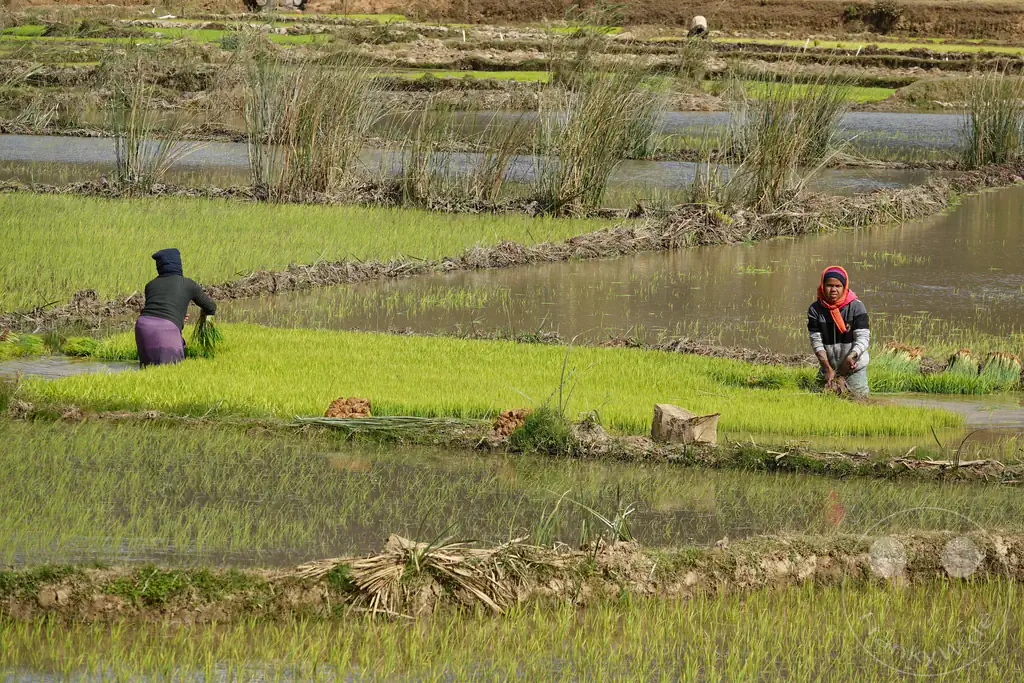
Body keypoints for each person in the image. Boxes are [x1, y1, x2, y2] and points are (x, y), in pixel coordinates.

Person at [135, 248, 216, 368]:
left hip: (142, 326)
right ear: (178, 264)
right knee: (172, 370)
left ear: (159, 266)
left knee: (148, 370)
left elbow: (156, 308)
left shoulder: (150, 285)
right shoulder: (188, 284)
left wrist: (178, 315)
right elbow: (210, 307)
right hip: (166, 328)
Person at [807, 265, 870, 395]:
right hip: (829, 367)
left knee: (859, 401)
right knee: (819, 399)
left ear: (844, 287)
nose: (833, 289)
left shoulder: (856, 307)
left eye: (838, 286)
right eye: (830, 285)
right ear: (823, 286)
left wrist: (851, 357)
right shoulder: (815, 309)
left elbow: (863, 339)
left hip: (854, 367)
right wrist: (827, 368)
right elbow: (816, 341)